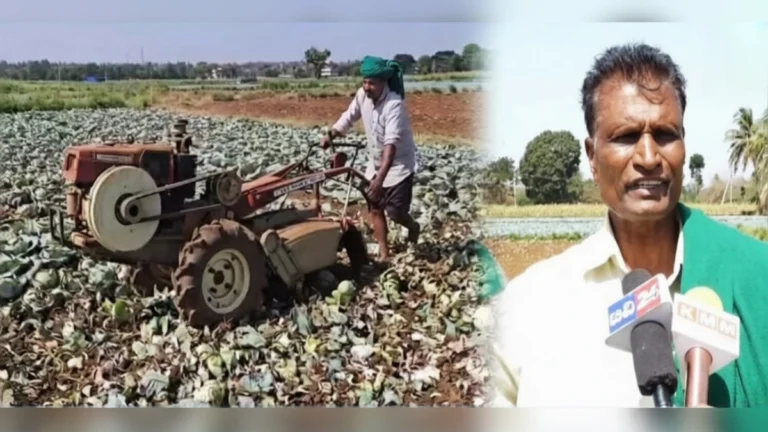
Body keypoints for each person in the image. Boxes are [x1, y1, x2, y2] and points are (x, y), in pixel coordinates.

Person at [491, 43, 768, 408]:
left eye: (666, 134)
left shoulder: (754, 274)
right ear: (592, 157)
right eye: (626, 137)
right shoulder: (530, 305)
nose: (650, 157)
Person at [321, 56, 421, 262]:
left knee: (395, 212)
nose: (367, 87)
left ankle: (412, 226)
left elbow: (391, 145)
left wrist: (379, 179)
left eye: (372, 83)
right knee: (374, 207)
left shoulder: (394, 104)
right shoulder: (362, 96)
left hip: (398, 164)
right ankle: (384, 254)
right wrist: (331, 135)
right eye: (365, 82)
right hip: (375, 161)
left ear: (383, 82)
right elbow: (349, 117)